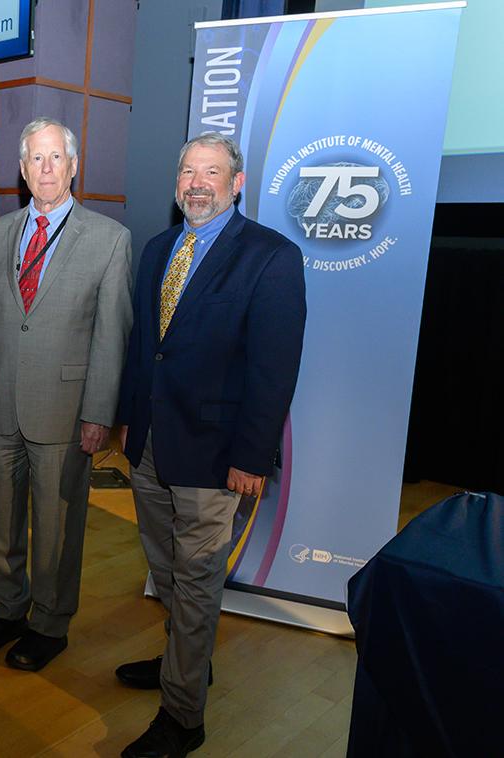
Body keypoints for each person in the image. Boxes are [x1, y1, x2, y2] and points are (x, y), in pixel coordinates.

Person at [115, 133, 306, 758]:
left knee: (196, 579)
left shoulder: (271, 257)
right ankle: (187, 661)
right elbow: (146, 348)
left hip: (214, 454)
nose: (198, 183)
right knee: (166, 568)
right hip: (148, 445)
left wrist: (252, 456)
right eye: (188, 171)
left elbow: (274, 368)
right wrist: (125, 421)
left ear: (238, 181)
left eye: (213, 172)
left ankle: (182, 717)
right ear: (177, 182)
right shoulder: (157, 248)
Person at [0, 117, 133, 672]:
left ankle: (49, 623)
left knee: (58, 526)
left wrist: (98, 414)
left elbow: (112, 335)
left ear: (74, 165)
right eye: (35, 159)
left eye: (55, 158)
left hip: (65, 412)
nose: (45, 168)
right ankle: (7, 606)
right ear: (21, 169)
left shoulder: (109, 239)